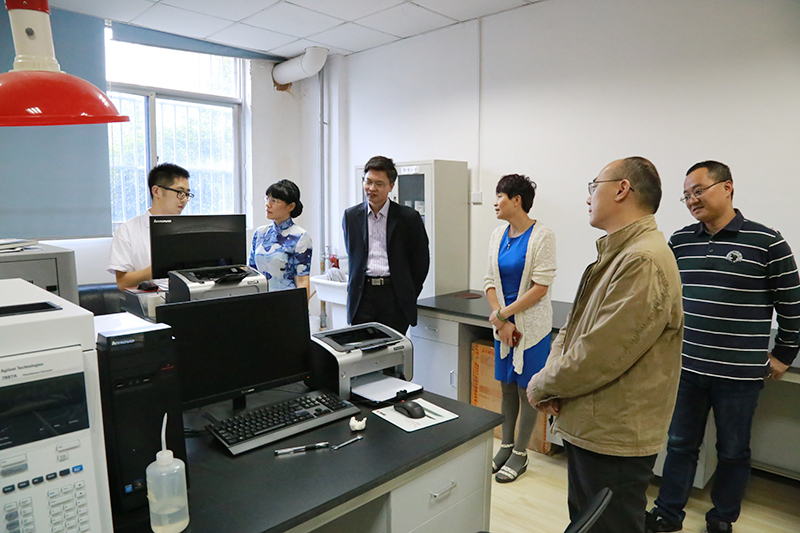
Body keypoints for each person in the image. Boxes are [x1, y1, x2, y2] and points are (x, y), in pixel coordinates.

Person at [527, 157, 684, 533]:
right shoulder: (618, 254)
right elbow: (573, 328)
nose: (588, 198)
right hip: (596, 425)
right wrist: (553, 378)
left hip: (614, 434)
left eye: (593, 186)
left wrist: (540, 385)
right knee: (587, 522)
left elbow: (600, 354)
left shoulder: (642, 260)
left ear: (622, 189)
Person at [646, 161, 800, 533]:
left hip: (739, 375)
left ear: (727, 187)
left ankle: (721, 518)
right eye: (686, 195)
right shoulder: (680, 241)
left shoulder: (767, 242)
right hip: (687, 368)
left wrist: (783, 354)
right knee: (679, 444)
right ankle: (668, 513)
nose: (691, 200)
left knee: (733, 450)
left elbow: (792, 305)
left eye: (698, 191)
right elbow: (663, 297)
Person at [484, 174, 556, 483]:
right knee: (506, 387)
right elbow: (489, 280)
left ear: (517, 200)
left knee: (527, 390)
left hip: (532, 328)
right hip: (504, 326)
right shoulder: (497, 235)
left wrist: (505, 314)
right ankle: (506, 446)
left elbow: (540, 286)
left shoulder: (542, 236)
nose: (495, 202)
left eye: (500, 196)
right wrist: (501, 321)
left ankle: (521, 453)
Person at [342, 155, 430, 334]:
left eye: (379, 184)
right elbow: (353, 256)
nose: (371, 188)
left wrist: (408, 292)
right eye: (368, 182)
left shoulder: (408, 218)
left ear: (391, 186)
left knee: (393, 348)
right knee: (363, 348)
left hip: (394, 296)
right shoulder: (351, 217)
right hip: (363, 295)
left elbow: (421, 262)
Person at [108, 163, 191, 290]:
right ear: (156, 191)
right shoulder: (127, 231)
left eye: (187, 194)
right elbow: (122, 282)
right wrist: (160, 266)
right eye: (180, 192)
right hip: (152, 299)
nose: (184, 199)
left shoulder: (190, 229)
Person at [248, 179, 312, 297]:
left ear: (291, 206)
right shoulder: (260, 233)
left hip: (286, 301)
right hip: (259, 299)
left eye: (274, 201)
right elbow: (251, 271)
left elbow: (302, 281)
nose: (268, 204)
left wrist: (302, 307)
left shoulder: (300, 237)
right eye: (267, 199)